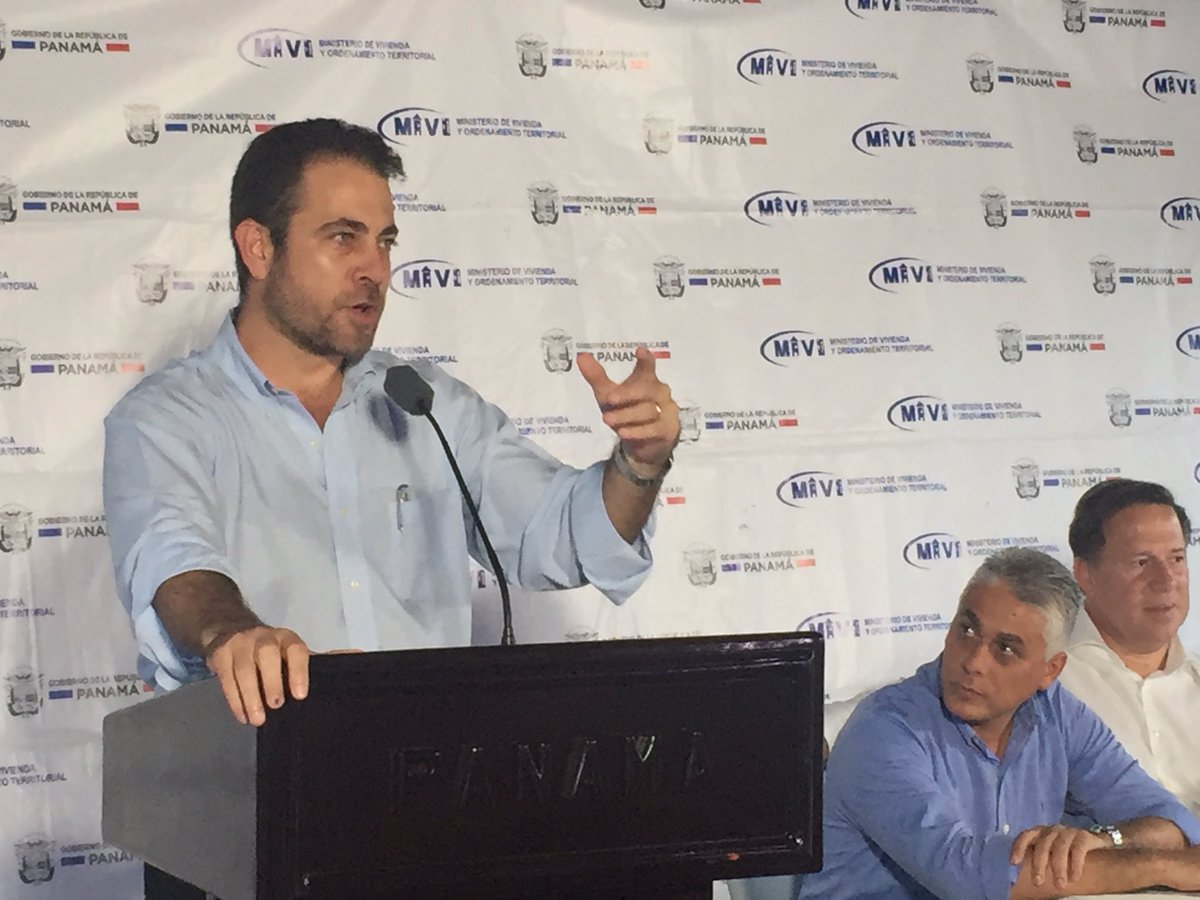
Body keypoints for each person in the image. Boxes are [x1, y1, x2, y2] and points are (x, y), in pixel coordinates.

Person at [102, 118, 680, 729]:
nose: (375, 269)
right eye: (343, 238)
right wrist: (236, 635)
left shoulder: (424, 402)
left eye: (384, 242)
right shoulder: (165, 419)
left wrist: (639, 465)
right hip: (258, 762)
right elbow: (174, 562)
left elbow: (565, 534)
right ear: (259, 248)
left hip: (428, 763)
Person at [800, 547, 1200, 900]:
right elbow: (967, 877)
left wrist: (1105, 841)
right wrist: (1160, 866)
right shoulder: (884, 729)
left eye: (1005, 649)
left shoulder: (1057, 712)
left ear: (1050, 670)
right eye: (967, 630)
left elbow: (1173, 821)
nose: (973, 662)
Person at [1060, 478, 1199, 815]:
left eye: (1176, 559)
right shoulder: (1048, 684)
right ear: (1085, 574)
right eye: (1141, 563)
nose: (1165, 581)